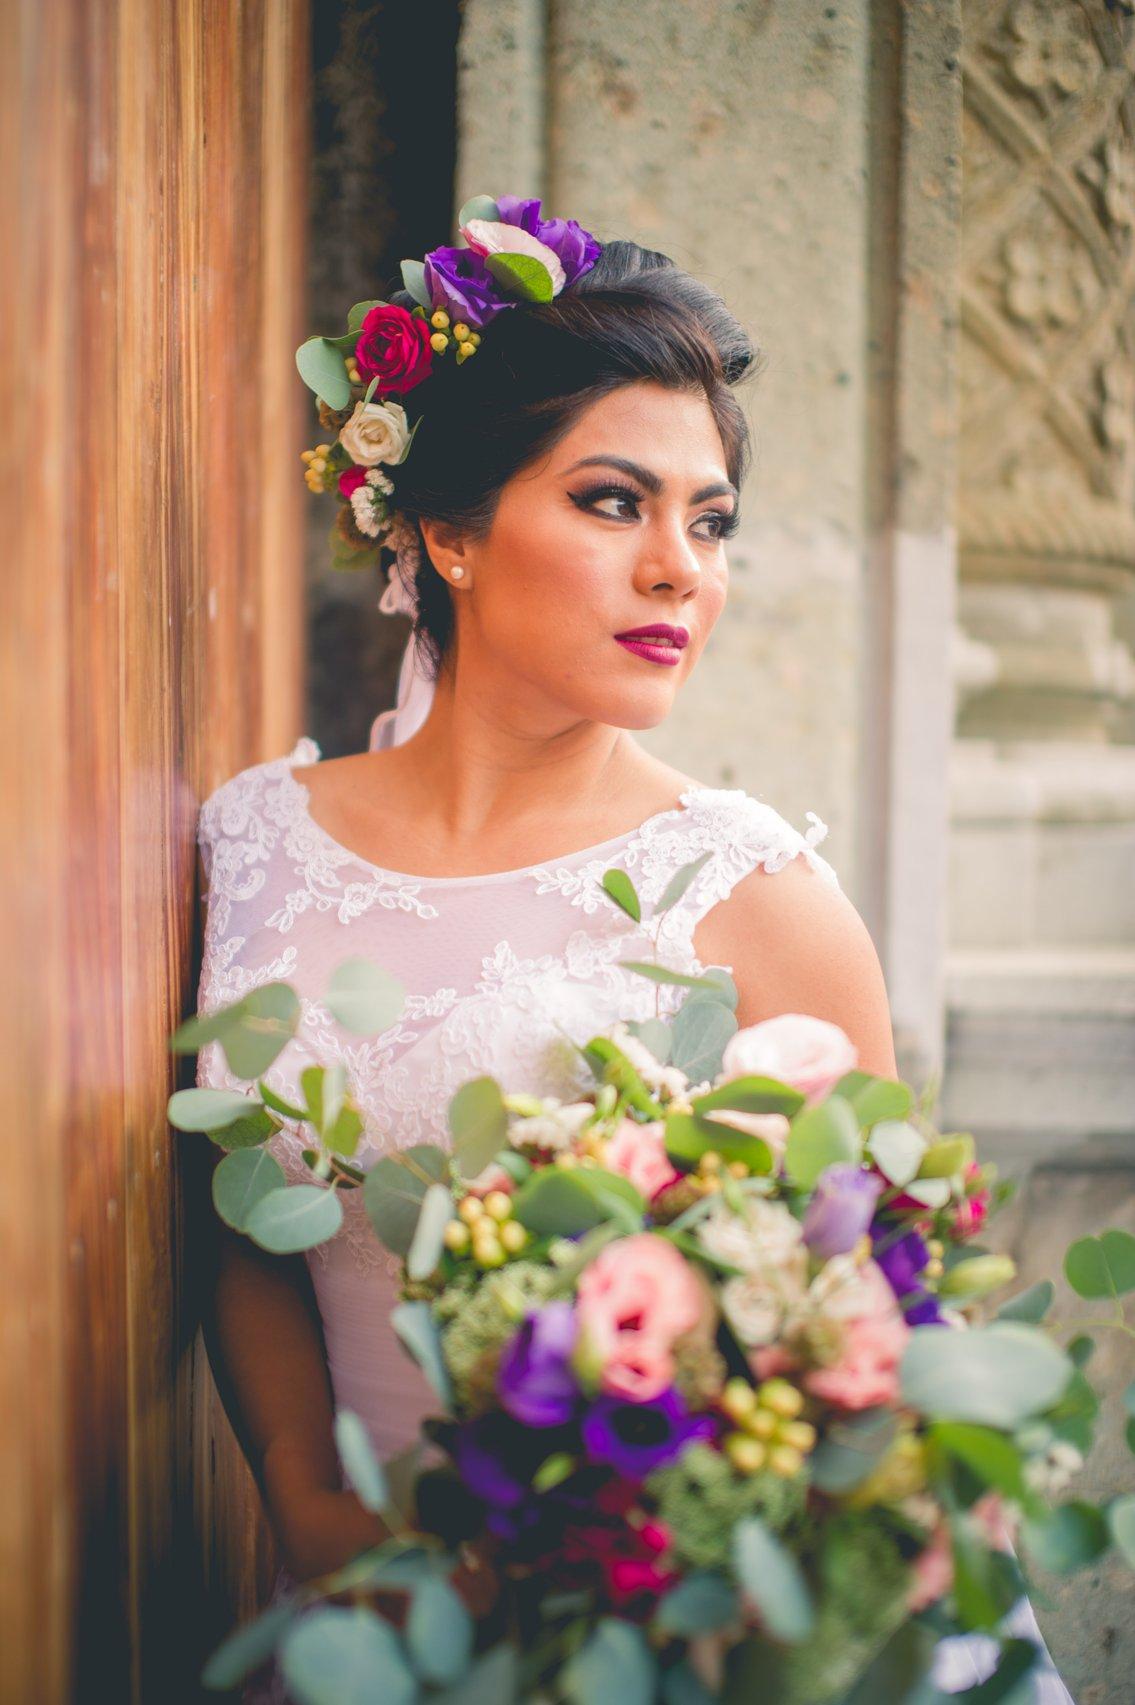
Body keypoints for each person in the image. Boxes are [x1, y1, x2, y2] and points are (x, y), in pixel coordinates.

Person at [192, 214, 1072, 1702]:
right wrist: (301, 1487)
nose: (682, 571)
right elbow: (239, 1222)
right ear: (447, 532)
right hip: (351, 1612)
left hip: (648, 1632)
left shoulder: (757, 897)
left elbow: (877, 1331)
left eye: (712, 520)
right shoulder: (253, 837)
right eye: (616, 503)